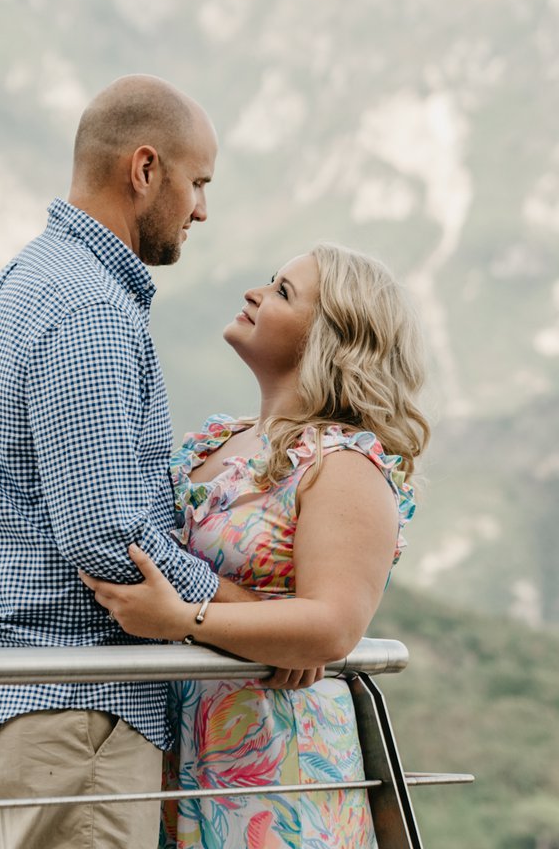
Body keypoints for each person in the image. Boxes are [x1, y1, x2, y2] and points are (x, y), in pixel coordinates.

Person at [0, 74, 261, 849]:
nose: (202, 210)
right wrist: (241, 616)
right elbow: (107, 536)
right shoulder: (87, 309)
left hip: (27, 709)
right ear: (145, 170)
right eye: (197, 183)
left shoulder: (24, 283)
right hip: (78, 713)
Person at [82, 244, 430, 849]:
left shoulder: (343, 465)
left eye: (283, 292)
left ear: (329, 339)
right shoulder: (215, 441)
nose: (255, 293)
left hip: (278, 764)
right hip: (178, 752)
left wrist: (183, 620)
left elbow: (333, 626)